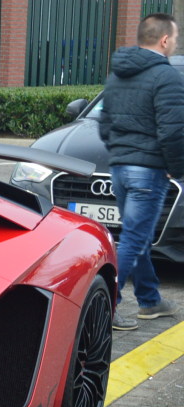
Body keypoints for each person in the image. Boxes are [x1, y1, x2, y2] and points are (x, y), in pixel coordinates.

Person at [99, 12, 184, 331]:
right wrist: (175, 170)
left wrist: (120, 153)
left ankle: (149, 300)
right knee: (134, 238)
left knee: (138, 235)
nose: (174, 43)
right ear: (164, 40)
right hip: (148, 172)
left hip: (119, 168)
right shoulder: (166, 76)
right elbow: (173, 131)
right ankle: (107, 305)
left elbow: (104, 125)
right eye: (174, 38)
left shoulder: (118, 74)